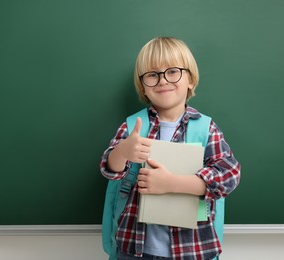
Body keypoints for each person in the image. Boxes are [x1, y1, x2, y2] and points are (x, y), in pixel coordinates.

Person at [100, 37, 241, 259]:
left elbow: (229, 175)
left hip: (192, 248)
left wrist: (172, 183)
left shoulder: (205, 128)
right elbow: (109, 169)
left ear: (190, 80)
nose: (163, 81)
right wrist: (123, 152)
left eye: (173, 71)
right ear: (143, 87)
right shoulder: (134, 125)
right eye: (152, 74)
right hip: (135, 247)